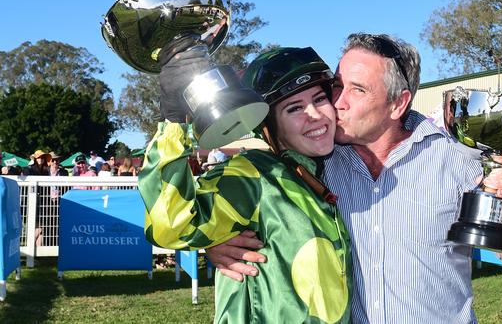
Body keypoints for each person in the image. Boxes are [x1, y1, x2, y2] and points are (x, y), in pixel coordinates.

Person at [208, 34, 502, 323]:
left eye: (358, 89)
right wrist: (220, 243)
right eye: (337, 86)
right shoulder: (317, 167)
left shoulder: (458, 161)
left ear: (398, 104)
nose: (337, 101)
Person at [139, 46, 352, 323]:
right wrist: (173, 120)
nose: (315, 114)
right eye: (294, 107)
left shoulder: (329, 171)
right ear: (268, 126)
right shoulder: (252, 173)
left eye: (319, 99)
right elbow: (169, 225)